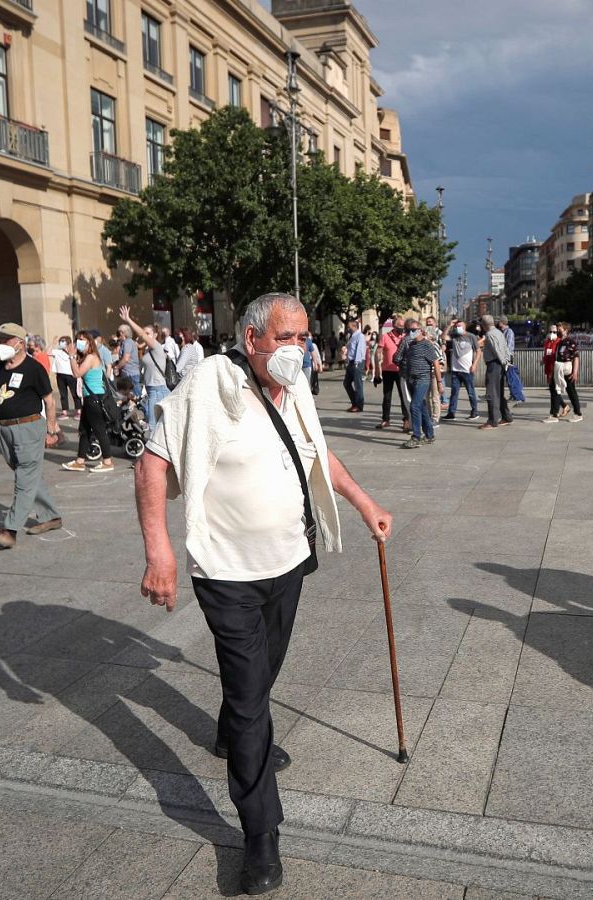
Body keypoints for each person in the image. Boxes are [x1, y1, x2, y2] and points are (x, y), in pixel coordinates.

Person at [135, 292, 392, 896]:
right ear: (252, 339)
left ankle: (230, 730)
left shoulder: (295, 384)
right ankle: (260, 836)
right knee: (253, 699)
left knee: (264, 671)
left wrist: (364, 503)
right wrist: (159, 550)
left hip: (288, 561)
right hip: (225, 572)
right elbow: (151, 462)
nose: (297, 349)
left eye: (303, 337)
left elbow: (316, 451)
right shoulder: (209, 384)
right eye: (286, 338)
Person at [0, 323, 64, 548]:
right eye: (0, 339)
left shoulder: (34, 368)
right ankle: (51, 516)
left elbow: (49, 400)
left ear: (20, 343)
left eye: (6, 340)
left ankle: (10, 530)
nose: (1, 344)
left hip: (29, 428)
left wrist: (52, 430)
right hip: (4, 429)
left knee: (24, 478)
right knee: (28, 474)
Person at [64, 330, 114, 472]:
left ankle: (107, 461)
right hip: (89, 398)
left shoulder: (91, 357)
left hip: (95, 398)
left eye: (82, 340)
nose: (79, 342)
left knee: (99, 430)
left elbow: (77, 373)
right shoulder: (87, 356)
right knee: (84, 430)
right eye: (77, 340)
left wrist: (72, 356)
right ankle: (80, 461)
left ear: (89, 342)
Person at [395, 319, 443, 448]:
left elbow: (436, 363)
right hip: (411, 378)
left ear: (420, 330)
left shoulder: (427, 345)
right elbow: (397, 358)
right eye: (408, 330)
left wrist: (439, 382)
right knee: (421, 407)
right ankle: (429, 435)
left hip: (423, 379)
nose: (411, 333)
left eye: (413, 330)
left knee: (414, 406)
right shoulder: (409, 344)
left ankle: (416, 436)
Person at [375, 319, 408, 433]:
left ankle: (406, 419)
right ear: (394, 326)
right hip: (387, 370)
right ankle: (385, 419)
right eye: (399, 326)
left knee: (403, 396)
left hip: (401, 370)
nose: (402, 328)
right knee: (387, 396)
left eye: (403, 326)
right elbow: (378, 352)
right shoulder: (385, 336)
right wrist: (377, 372)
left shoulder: (405, 337)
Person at [479, 315, 512, 429]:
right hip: (500, 364)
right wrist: (506, 362)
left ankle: (492, 421)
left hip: (494, 364)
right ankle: (506, 416)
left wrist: (503, 361)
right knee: (499, 392)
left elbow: (496, 350)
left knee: (491, 393)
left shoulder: (489, 334)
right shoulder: (499, 332)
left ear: (483, 325)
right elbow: (505, 347)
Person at [445, 320, 479, 419]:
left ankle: (474, 411)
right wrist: (449, 325)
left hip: (467, 370)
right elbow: (443, 337)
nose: (458, 327)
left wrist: (474, 364)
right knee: (454, 392)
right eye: (456, 326)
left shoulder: (471, 336)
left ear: (464, 326)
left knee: (471, 392)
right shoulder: (454, 335)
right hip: (456, 370)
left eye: (460, 325)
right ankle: (451, 413)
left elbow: (478, 351)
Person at [51, 335, 79, 420]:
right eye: (61, 341)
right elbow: (47, 352)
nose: (61, 343)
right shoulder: (57, 351)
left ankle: (78, 411)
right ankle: (64, 412)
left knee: (75, 393)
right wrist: (53, 343)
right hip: (60, 375)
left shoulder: (73, 351)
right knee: (63, 394)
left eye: (63, 341)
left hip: (71, 375)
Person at [342, 319, 366, 413]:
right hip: (351, 362)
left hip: (357, 362)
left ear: (354, 326)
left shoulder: (360, 336)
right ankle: (354, 403)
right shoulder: (352, 336)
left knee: (358, 385)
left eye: (349, 327)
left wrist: (357, 363)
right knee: (346, 383)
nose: (348, 328)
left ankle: (359, 405)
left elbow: (359, 350)